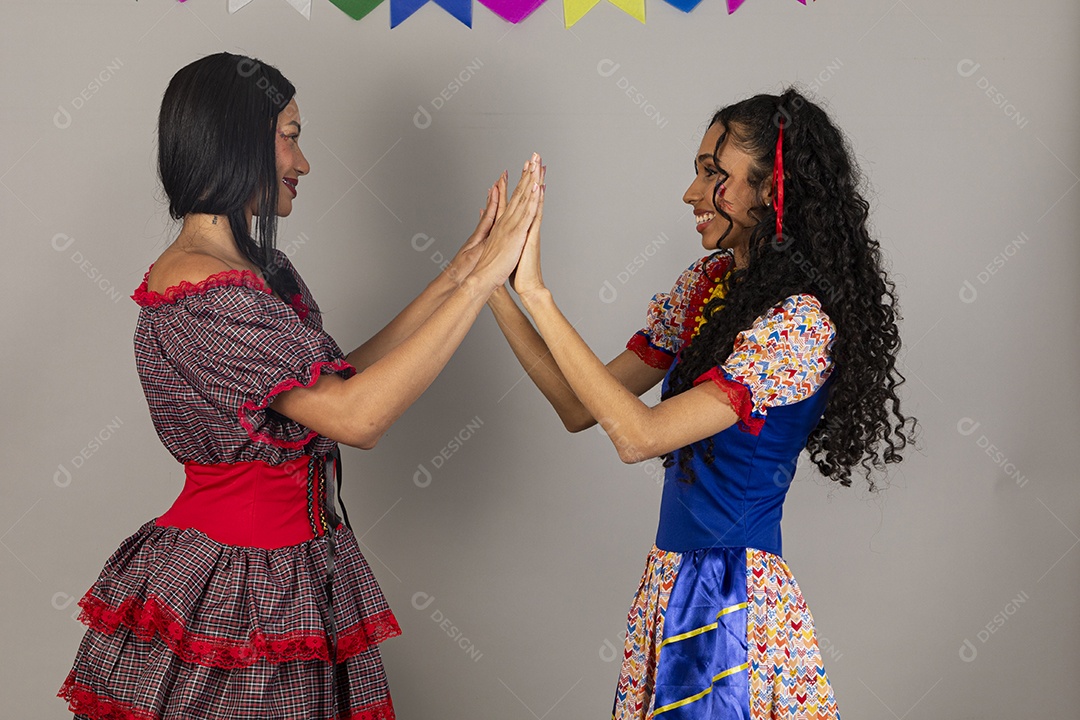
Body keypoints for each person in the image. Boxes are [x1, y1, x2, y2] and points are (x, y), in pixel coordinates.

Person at [57, 51, 542, 720]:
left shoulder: (257, 270)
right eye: (290, 135)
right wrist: (486, 282)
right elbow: (359, 418)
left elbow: (342, 382)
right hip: (239, 581)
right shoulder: (204, 293)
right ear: (238, 137)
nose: (303, 162)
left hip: (294, 566)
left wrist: (459, 276)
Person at [488, 87, 916, 718]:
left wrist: (540, 294)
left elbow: (639, 435)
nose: (691, 192)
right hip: (674, 582)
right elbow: (580, 405)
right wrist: (494, 285)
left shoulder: (798, 322)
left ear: (773, 189)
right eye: (698, 170)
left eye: (714, 173)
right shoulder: (706, 286)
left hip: (727, 601)